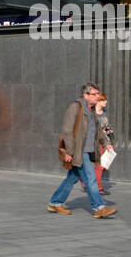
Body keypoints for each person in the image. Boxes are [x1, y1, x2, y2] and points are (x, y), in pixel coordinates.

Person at [48, 82, 118, 219]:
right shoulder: (76, 107)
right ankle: (99, 207)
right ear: (86, 95)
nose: (97, 96)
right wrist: (70, 151)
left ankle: (55, 202)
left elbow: (98, 131)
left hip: (88, 150)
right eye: (94, 94)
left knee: (72, 178)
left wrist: (107, 143)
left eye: (98, 94)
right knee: (90, 178)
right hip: (79, 151)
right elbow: (67, 130)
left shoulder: (92, 111)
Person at [92, 94, 116, 197]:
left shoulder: (103, 113)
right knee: (100, 166)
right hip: (93, 142)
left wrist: (110, 141)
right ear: (98, 101)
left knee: (103, 165)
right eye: (103, 100)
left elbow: (106, 128)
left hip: (103, 142)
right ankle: (98, 188)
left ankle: (89, 182)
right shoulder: (91, 114)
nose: (105, 102)